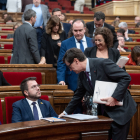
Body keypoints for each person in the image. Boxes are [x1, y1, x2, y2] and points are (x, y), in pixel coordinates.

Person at [59, 48, 137, 140]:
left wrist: (114, 97)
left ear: (76, 61)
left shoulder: (102, 63)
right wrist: (65, 112)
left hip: (121, 111)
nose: (70, 70)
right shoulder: (82, 74)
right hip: (105, 113)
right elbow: (78, 95)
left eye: (70, 66)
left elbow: (125, 77)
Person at [57, 19, 94, 91]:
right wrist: (61, 80)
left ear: (84, 29)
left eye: (80, 30)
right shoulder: (65, 43)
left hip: (90, 80)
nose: (78, 33)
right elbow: (61, 63)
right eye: (75, 31)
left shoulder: (92, 42)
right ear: (72, 30)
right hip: (72, 81)